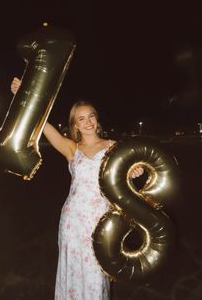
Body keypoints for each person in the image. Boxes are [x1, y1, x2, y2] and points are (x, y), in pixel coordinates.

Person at [11, 77, 143, 299]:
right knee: (72, 272)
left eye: (91, 115)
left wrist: (134, 171)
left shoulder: (113, 146)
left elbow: (126, 173)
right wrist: (25, 95)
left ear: (96, 118)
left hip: (101, 222)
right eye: (81, 118)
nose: (88, 121)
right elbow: (43, 125)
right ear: (75, 125)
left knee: (95, 277)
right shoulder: (72, 148)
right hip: (73, 221)